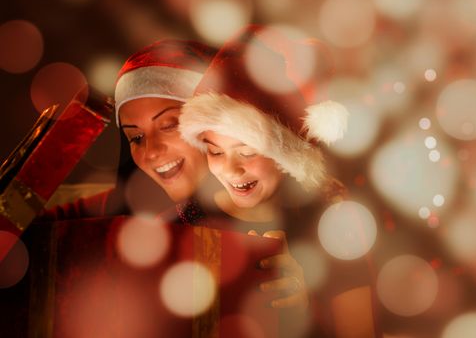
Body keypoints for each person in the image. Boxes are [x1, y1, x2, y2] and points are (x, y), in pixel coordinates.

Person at [36, 39, 310, 311]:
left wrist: (304, 298)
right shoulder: (132, 208)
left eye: (169, 125)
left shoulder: (303, 205)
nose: (152, 152)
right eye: (136, 137)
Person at [178, 26, 381, 338]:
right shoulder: (191, 215)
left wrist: (308, 303)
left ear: (285, 153)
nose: (231, 170)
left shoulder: (331, 224)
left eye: (247, 152)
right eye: (215, 151)